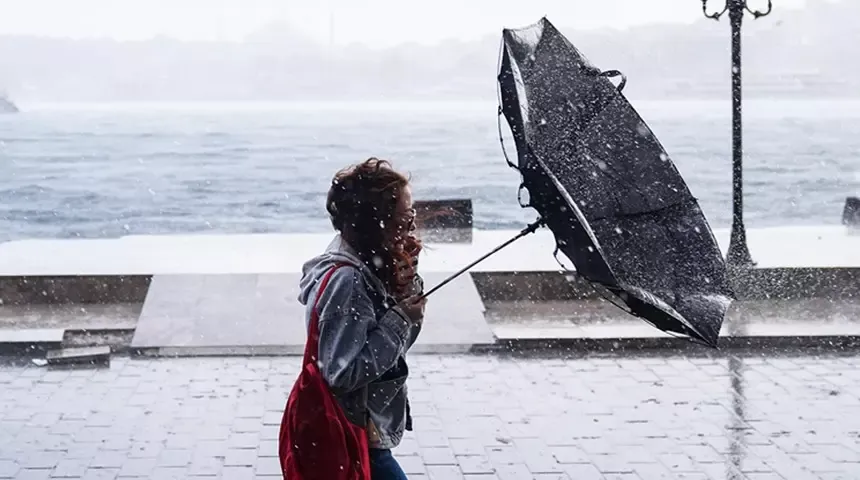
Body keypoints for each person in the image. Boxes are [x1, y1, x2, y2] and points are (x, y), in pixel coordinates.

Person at [297, 157, 426, 480]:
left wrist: (404, 284)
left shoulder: (367, 264)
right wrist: (400, 317)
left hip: (362, 430)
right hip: (353, 433)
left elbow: (396, 348)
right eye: (403, 219)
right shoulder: (349, 282)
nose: (410, 227)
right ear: (375, 223)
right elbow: (343, 372)